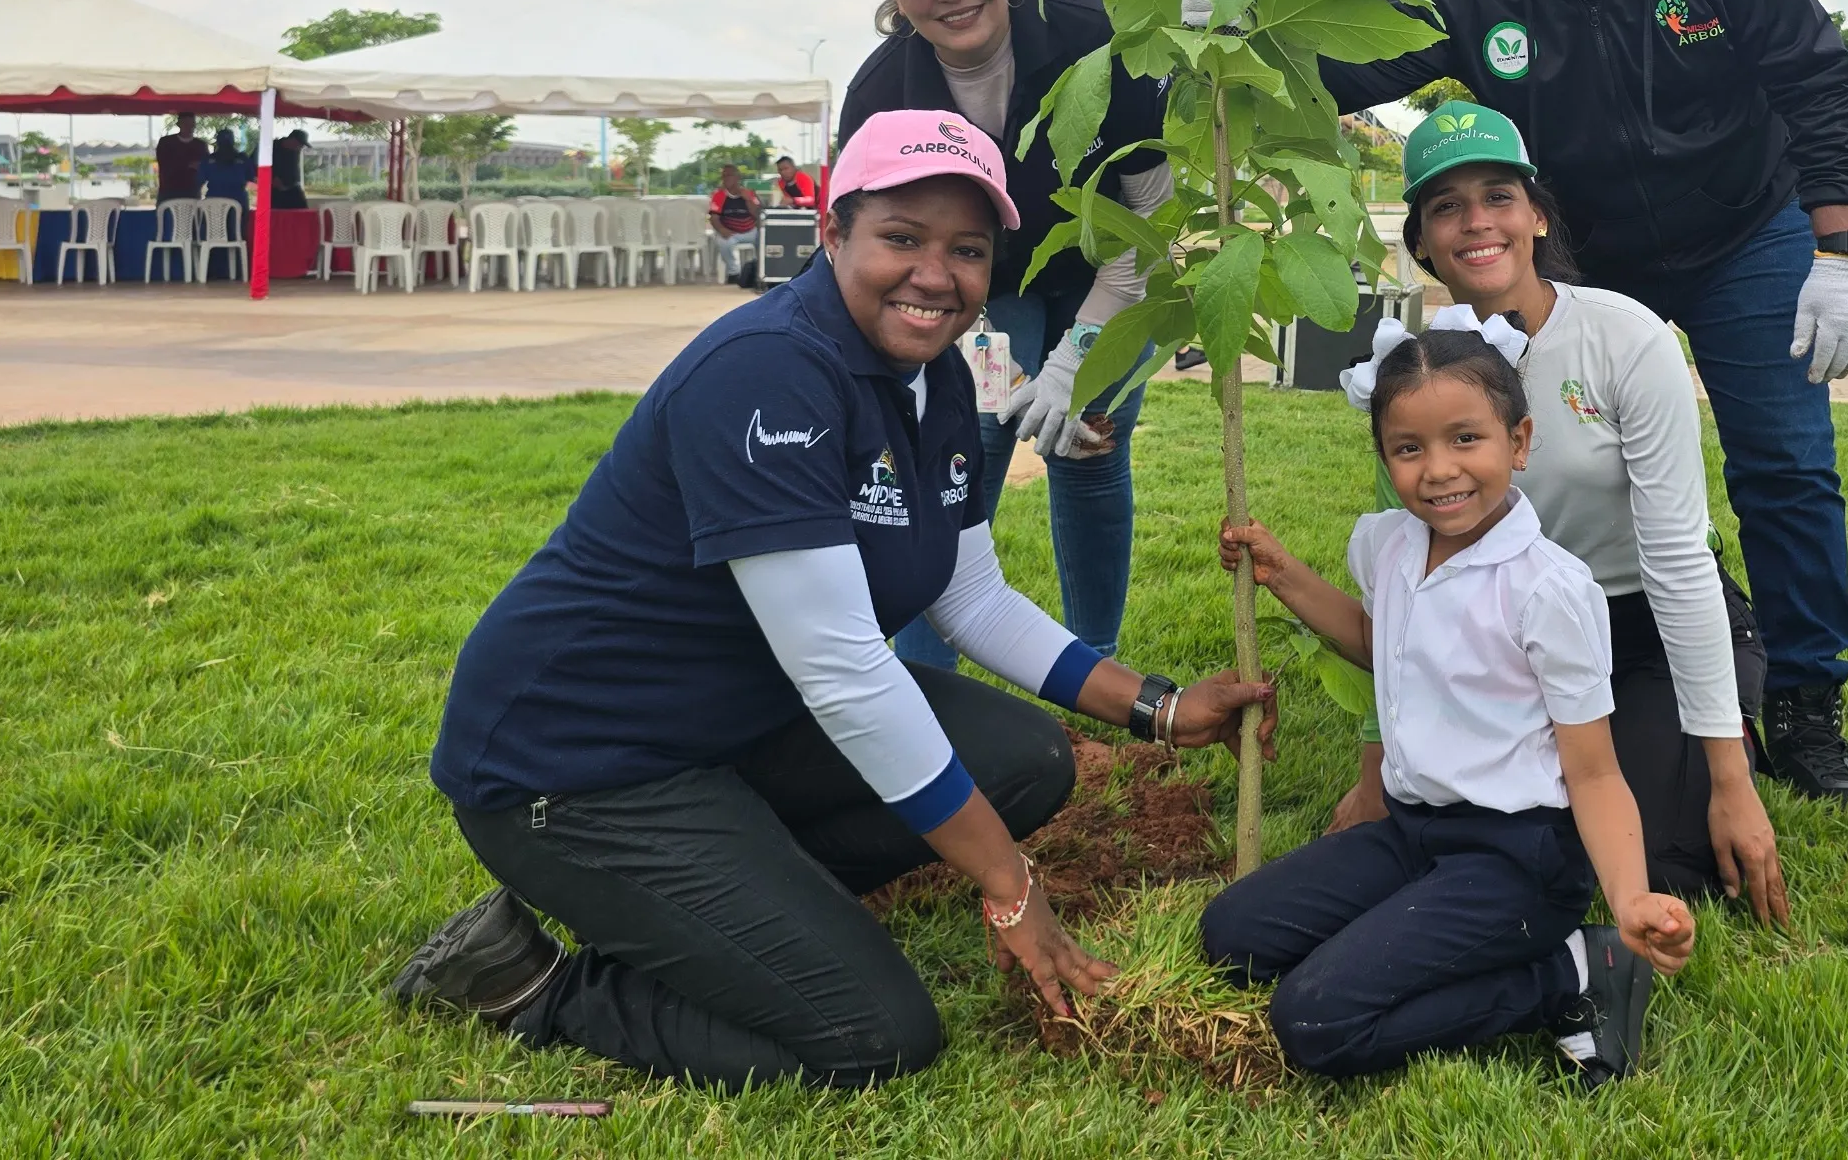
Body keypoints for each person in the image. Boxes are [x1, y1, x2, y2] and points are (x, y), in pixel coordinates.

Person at [397, 109, 1276, 1090]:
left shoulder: (941, 372)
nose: (935, 275)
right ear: (831, 231)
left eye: (967, 249)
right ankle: (527, 982)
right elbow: (845, 671)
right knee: (873, 1034)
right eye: (901, 238)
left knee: (1026, 763)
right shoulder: (766, 373)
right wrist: (1009, 881)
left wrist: (1154, 709)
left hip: (733, 730)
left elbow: (969, 595)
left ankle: (733, 907)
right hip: (576, 770)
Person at [1292, 0, 1848, 810]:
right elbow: (1348, 58)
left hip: (1743, 229)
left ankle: (1803, 707)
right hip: (1577, 247)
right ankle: (1516, 661)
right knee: (1523, 457)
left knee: (1785, 466)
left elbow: (1813, 79)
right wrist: (1244, 28)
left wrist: (1842, 246)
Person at [1326, 102, 1789, 918]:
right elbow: (1402, 588)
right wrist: (1376, 777)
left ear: (1536, 216)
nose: (1477, 223)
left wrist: (1727, 781)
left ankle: (1729, 733)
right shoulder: (1412, 368)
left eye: (1498, 196)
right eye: (1445, 207)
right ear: (1423, 241)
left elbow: (1678, 559)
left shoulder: (1625, 339)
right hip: (1511, 637)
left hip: (1642, 624)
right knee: (1507, 831)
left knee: (1651, 859)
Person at [1202, 322, 1697, 1085]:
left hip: (1516, 858)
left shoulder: (1548, 589)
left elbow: (1594, 774)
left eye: (1466, 438)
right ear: (1384, 456)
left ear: (1519, 441)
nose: (1439, 471)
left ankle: (1568, 973)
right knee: (1230, 936)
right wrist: (1283, 573)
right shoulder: (1389, 545)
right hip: (1412, 833)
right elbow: (1381, 640)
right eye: (1409, 449)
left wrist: (1631, 896)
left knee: (1315, 1020)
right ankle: (1422, 925)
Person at [839, 0, 1170, 666]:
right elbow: (903, 260)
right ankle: (927, 676)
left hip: (1111, 264)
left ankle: (1098, 658)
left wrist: (1077, 361)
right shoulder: (883, 95)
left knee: (1089, 440)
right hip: (976, 283)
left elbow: (1152, 224)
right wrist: (996, 372)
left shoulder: (1100, 38)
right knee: (964, 446)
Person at [706, 163, 762, 282]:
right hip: (731, 232)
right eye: (724, 176)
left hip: (750, 231)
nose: (726, 178)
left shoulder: (749, 193)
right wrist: (721, 229)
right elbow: (714, 218)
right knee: (723, 242)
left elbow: (758, 214)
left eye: (729, 175)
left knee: (764, 239)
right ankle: (734, 273)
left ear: (737, 178)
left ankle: (759, 271)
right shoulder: (718, 195)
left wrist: (748, 199)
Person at [154, 114, 206, 203]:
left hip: (192, 190)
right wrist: (188, 165)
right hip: (168, 190)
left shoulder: (200, 145)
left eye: (191, 124)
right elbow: (164, 164)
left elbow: (204, 166)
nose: (189, 127)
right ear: (179, 124)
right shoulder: (166, 142)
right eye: (185, 124)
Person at [200, 128, 254, 213]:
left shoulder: (208, 160)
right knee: (238, 225)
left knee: (213, 225)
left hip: (214, 201)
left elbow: (199, 180)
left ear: (217, 143)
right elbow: (250, 177)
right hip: (238, 201)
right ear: (233, 142)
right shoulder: (243, 159)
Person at [272, 129, 310, 210]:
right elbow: (254, 165)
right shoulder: (271, 147)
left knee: (302, 213)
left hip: (293, 188)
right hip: (274, 191)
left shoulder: (295, 151)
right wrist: (271, 177)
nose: (301, 147)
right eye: (300, 144)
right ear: (293, 140)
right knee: (276, 217)